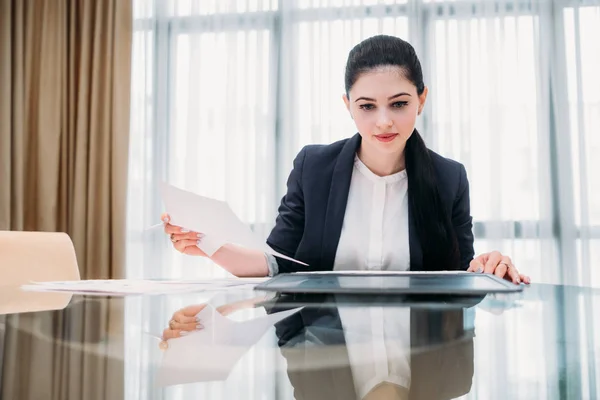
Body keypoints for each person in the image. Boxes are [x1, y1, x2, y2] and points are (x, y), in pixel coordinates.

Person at [161, 34, 530, 284]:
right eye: (367, 106)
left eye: (399, 103)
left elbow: (459, 274)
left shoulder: (450, 178)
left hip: (419, 359)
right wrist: (208, 246)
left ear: (422, 99)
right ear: (348, 106)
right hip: (326, 356)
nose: (383, 121)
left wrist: (487, 266)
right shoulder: (314, 168)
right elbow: (277, 262)